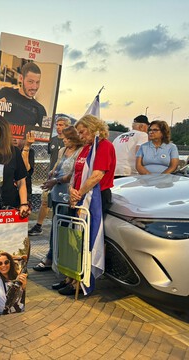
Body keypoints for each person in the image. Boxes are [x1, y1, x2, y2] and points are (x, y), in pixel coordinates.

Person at [60, 115, 116, 296]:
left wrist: (79, 193)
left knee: (86, 241)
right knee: (74, 240)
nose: (80, 136)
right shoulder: (87, 148)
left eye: (82, 132)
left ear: (93, 128)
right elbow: (75, 173)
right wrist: (72, 191)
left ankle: (82, 281)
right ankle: (71, 276)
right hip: (79, 197)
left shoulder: (105, 146)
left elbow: (97, 175)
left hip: (95, 198)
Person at [33, 126, 83, 271]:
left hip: (67, 193)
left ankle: (54, 258)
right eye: (64, 139)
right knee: (55, 225)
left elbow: (74, 174)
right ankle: (53, 256)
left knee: (64, 229)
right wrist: (51, 176)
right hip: (56, 192)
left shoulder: (80, 152)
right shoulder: (63, 151)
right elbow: (57, 167)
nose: (65, 141)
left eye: (68, 139)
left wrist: (56, 180)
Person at [28, 117, 71, 236]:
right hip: (52, 176)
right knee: (45, 201)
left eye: (62, 125)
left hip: (64, 179)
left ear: (68, 126)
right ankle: (38, 226)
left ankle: (61, 228)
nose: (58, 127)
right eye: (57, 124)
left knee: (61, 204)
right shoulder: (52, 140)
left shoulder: (70, 142)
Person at [0, 62, 47, 134]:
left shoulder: (41, 109)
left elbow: (46, 134)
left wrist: (28, 141)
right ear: (21, 78)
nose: (34, 87)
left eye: (37, 82)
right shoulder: (4, 92)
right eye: (30, 82)